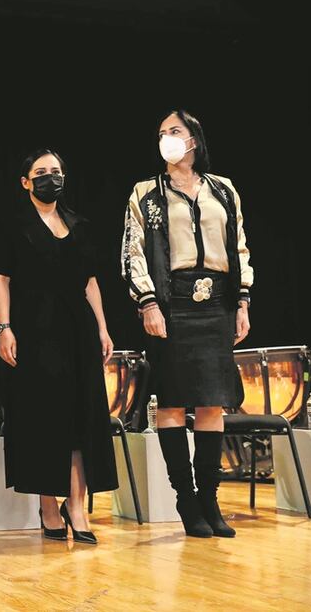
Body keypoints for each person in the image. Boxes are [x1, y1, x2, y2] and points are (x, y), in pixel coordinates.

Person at [121, 110, 252, 539]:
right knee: (173, 402)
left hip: (216, 302)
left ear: (193, 138)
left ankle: (210, 497)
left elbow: (239, 247)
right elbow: (133, 252)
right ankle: (185, 498)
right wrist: (147, 302)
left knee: (212, 403)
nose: (167, 138)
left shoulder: (223, 189)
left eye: (174, 131)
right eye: (161, 133)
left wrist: (242, 302)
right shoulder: (146, 192)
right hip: (171, 302)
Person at [0, 149, 118, 544]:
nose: (51, 177)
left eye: (56, 171)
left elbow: (90, 282)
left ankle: (76, 506)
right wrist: (5, 328)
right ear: (25, 182)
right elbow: (0, 280)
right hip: (35, 331)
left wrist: (102, 328)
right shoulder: (12, 226)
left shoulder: (80, 224)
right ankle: (49, 505)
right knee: (44, 419)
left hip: (78, 330)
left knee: (82, 418)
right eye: (41, 172)